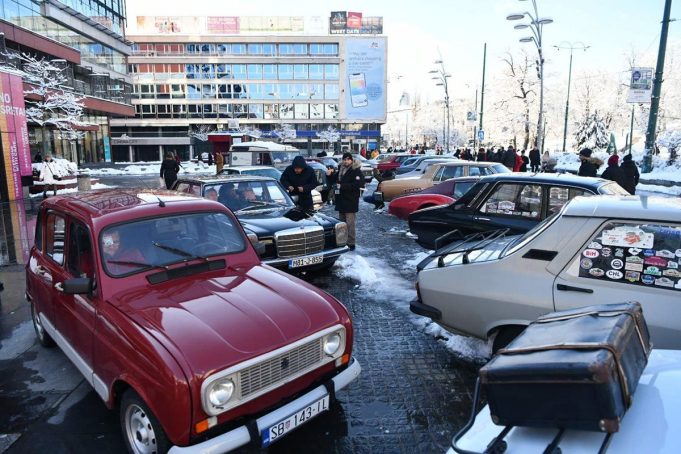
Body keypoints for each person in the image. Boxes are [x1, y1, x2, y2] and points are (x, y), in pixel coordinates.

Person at [334, 153, 364, 250]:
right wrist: (329, 175)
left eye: (348, 159)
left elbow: (358, 184)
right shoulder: (340, 169)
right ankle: (342, 241)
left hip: (350, 201)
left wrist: (342, 186)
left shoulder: (356, 170)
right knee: (341, 224)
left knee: (350, 224)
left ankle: (351, 243)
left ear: (351, 160)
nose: (346, 161)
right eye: (344, 159)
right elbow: (335, 179)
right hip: (341, 200)